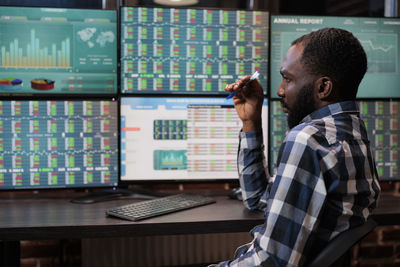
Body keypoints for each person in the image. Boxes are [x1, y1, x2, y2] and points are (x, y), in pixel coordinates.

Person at [213, 28, 381, 266]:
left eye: (288, 79)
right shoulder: (354, 134)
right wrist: (251, 121)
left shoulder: (308, 138)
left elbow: (272, 262)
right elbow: (259, 199)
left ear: (323, 88)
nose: (280, 90)